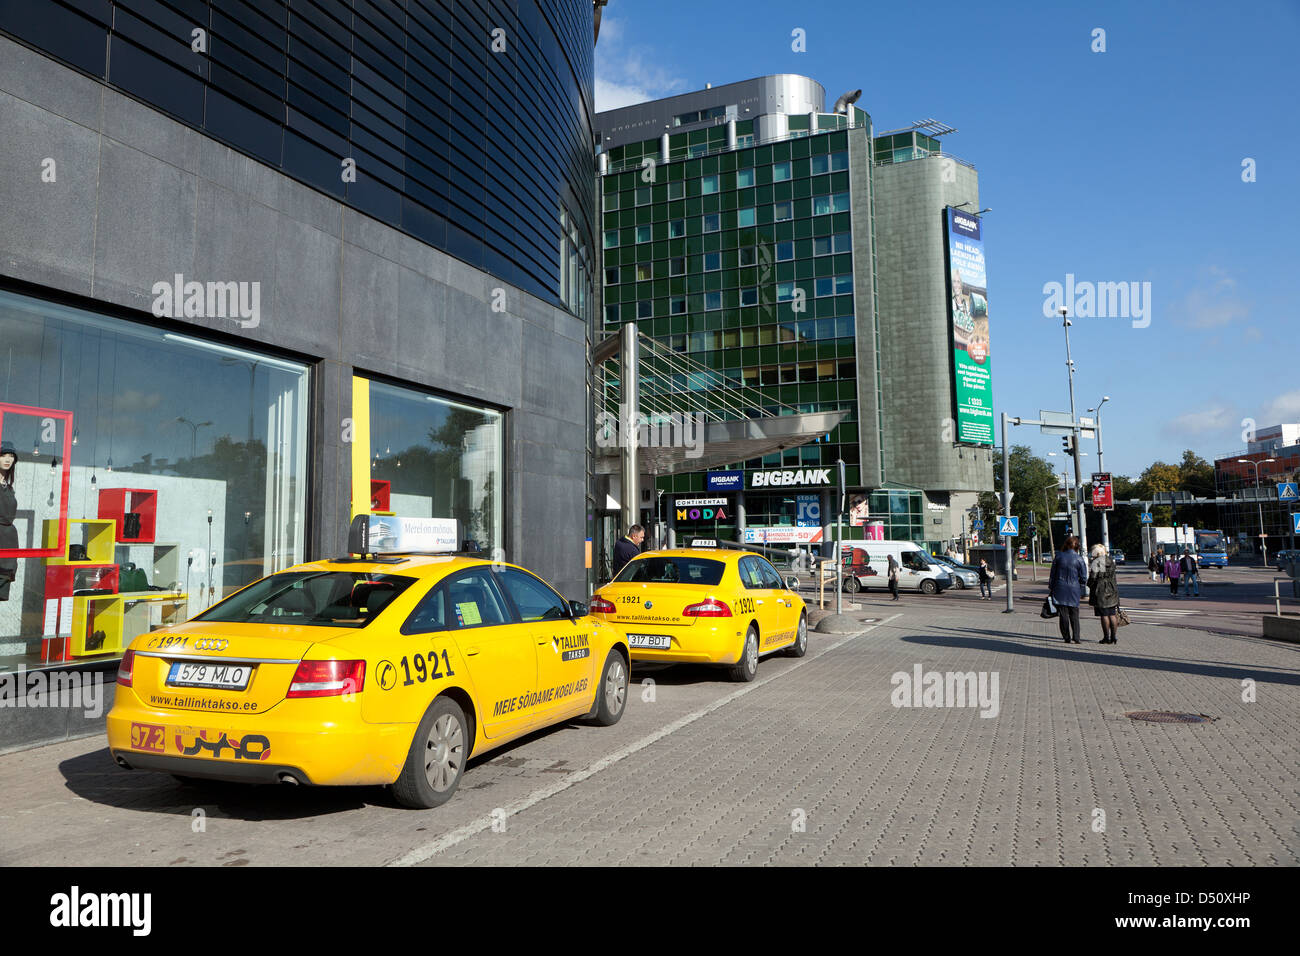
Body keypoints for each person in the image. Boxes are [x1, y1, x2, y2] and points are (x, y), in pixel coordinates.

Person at [1048, 534, 1088, 644]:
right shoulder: (1079, 559)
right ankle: (1076, 637)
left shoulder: (1059, 556)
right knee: (1074, 613)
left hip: (1060, 587)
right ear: (1077, 546)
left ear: (1066, 545)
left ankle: (1066, 637)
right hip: (1074, 588)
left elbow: (1052, 574)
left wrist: (1051, 587)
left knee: (1063, 614)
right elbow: (1083, 577)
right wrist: (1081, 586)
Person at [1087, 543, 1120, 643]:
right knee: (1112, 614)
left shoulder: (1096, 562)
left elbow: (1093, 577)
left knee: (1104, 615)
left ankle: (1106, 637)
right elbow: (1113, 576)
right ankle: (1114, 637)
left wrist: (1089, 585)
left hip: (1101, 590)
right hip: (1112, 588)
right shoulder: (1110, 560)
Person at [0, 440, 17, 601]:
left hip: (8, 547)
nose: (7, 459)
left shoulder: (8, 486)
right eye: (3, 455)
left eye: (11, 455)